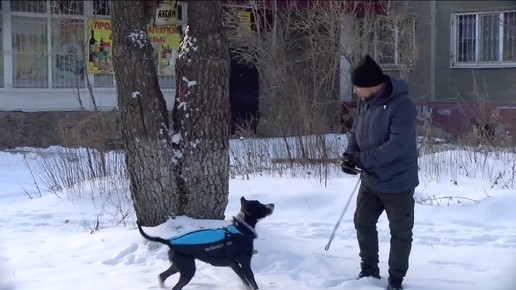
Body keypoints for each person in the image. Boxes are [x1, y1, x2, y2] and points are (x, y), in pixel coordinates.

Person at [341, 55, 419, 290]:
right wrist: (350, 156)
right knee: (362, 223)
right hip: (371, 180)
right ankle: (369, 270)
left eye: (357, 86)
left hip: (398, 182)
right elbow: (356, 130)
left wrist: (362, 160)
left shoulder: (402, 106)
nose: (354, 91)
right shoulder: (367, 101)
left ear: (372, 84)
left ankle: (396, 278)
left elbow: (397, 146)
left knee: (400, 232)